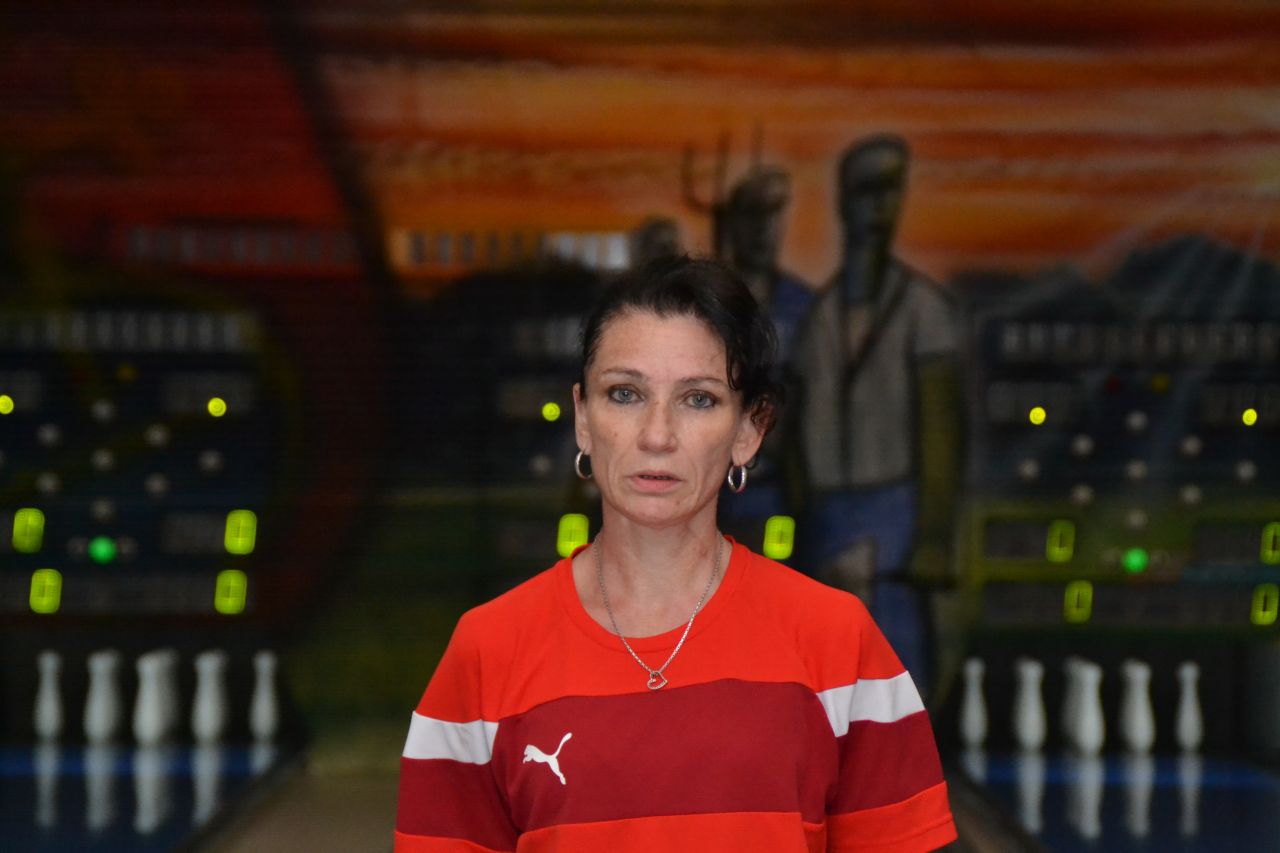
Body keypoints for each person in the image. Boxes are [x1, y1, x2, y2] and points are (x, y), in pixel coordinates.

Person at [395, 257, 956, 852]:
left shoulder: (838, 641)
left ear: (750, 429)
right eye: (625, 394)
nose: (656, 436)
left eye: (698, 399)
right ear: (583, 418)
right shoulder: (487, 652)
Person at [788, 134, 963, 690]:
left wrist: (933, 535)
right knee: (826, 680)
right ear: (843, 202)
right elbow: (794, 428)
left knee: (896, 677)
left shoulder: (924, 311)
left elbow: (940, 429)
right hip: (826, 516)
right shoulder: (819, 320)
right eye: (867, 192)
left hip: (895, 514)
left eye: (890, 191)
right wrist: (800, 510)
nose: (879, 207)